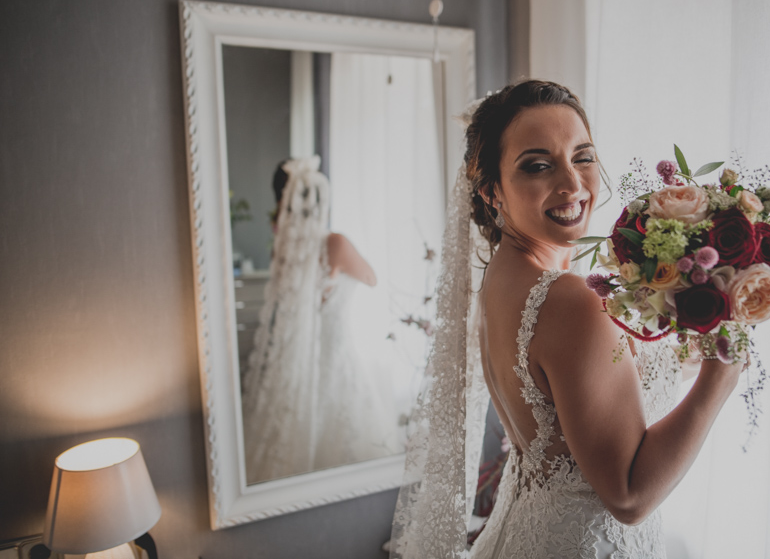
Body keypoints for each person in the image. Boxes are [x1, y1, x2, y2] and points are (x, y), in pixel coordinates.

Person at [389, 81, 744, 558]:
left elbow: (579, 398)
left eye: (582, 156)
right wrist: (720, 376)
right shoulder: (567, 299)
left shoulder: (501, 277)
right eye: (537, 165)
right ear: (492, 191)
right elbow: (628, 495)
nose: (573, 185)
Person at [241, 156, 399, 484]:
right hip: (337, 352)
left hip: (297, 362)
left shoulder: (283, 249)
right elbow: (371, 278)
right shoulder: (335, 243)